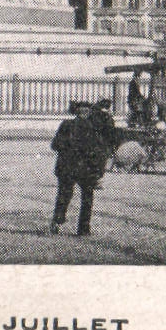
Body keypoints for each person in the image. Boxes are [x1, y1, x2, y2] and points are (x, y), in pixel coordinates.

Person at [50, 102, 113, 238]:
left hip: (67, 167)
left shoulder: (66, 125)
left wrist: (67, 149)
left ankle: (57, 219)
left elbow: (55, 145)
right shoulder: (94, 129)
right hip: (86, 168)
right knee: (87, 197)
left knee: (64, 194)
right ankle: (83, 229)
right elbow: (100, 152)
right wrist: (99, 173)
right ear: (89, 113)